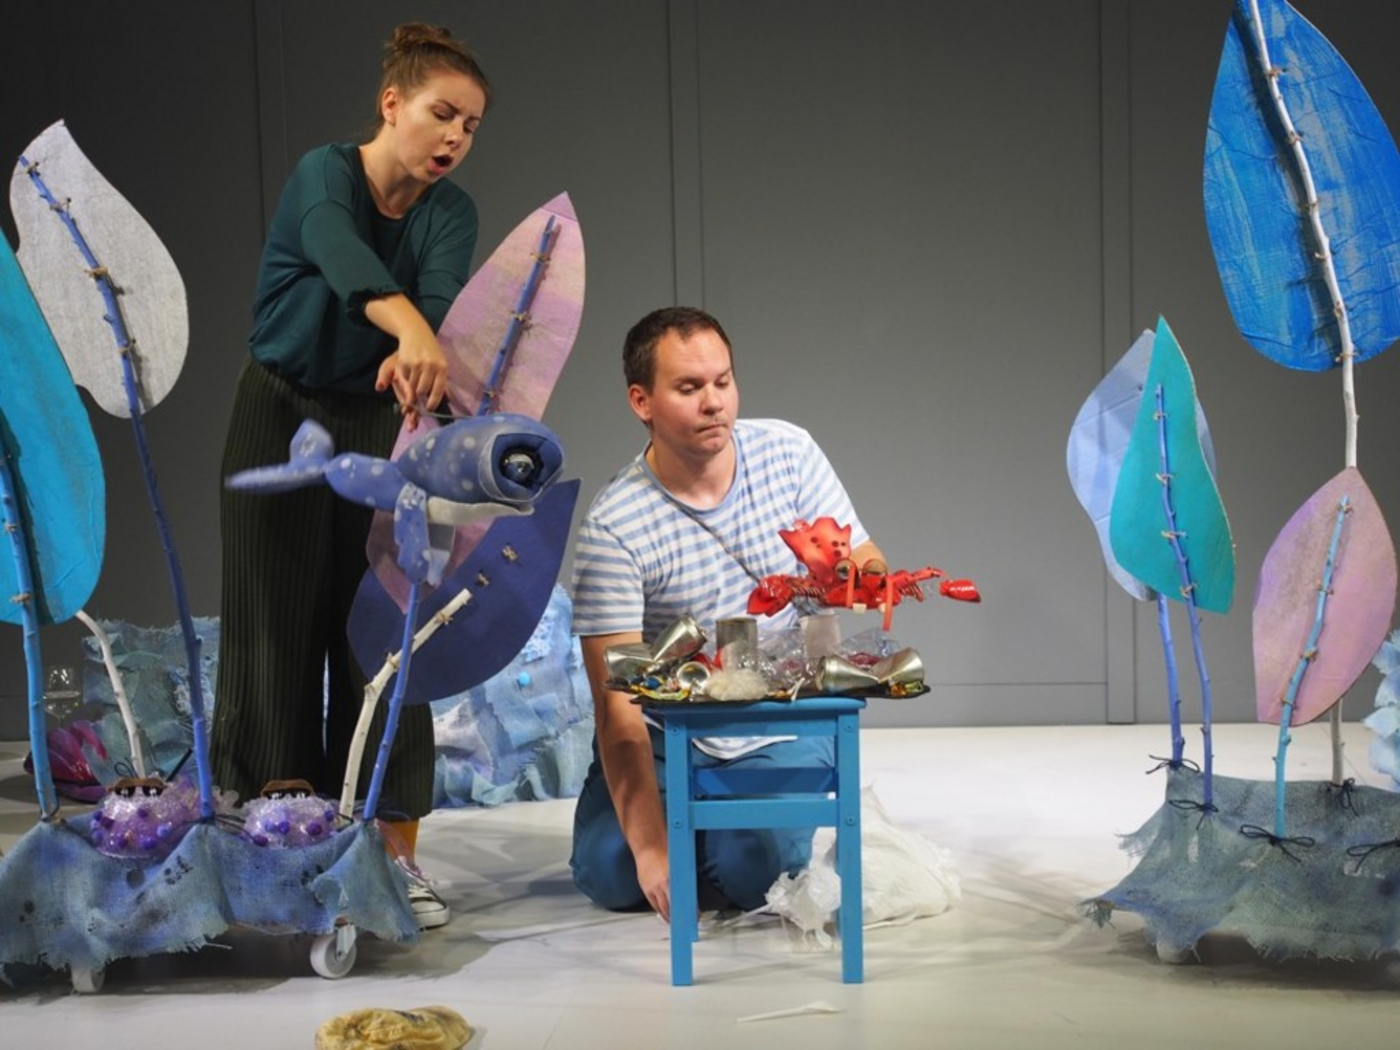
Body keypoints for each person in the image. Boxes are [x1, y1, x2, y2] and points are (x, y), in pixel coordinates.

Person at [211, 23, 491, 930]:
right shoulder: (323, 174)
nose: (454, 137)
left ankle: (391, 855)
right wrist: (411, 332)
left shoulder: (451, 213)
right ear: (391, 103)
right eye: (441, 114)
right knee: (272, 623)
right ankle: (273, 846)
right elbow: (341, 255)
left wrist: (420, 348)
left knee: (384, 625)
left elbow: (437, 307)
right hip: (280, 411)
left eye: (471, 125)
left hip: (379, 421)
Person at [569, 306, 884, 920]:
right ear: (641, 401)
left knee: (752, 867)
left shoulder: (789, 453)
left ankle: (727, 837)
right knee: (612, 871)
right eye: (689, 387)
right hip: (671, 726)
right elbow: (617, 705)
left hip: (776, 718)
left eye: (723, 381)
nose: (714, 402)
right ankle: (697, 828)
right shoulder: (614, 525)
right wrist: (650, 849)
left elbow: (864, 557)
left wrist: (859, 579)